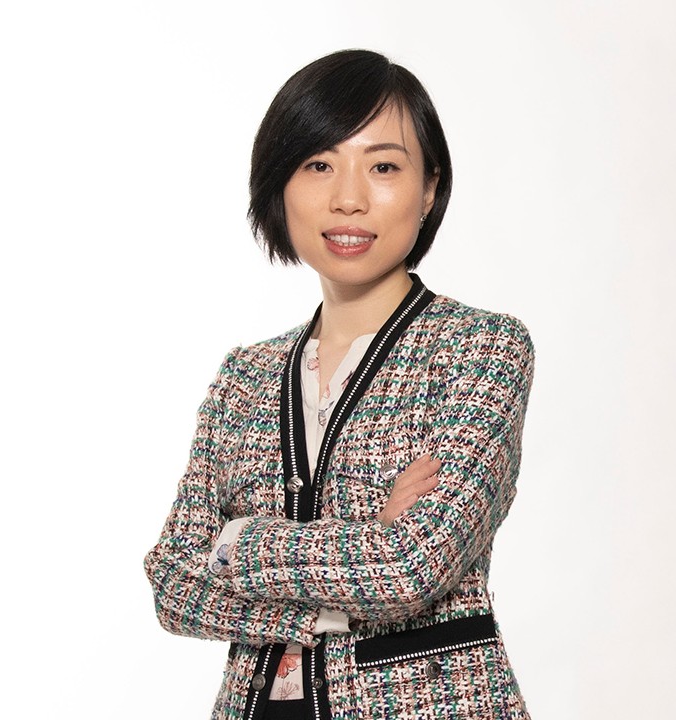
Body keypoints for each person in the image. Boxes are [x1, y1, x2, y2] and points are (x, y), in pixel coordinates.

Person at [144, 49, 534, 720]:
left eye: (383, 166)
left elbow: (411, 567)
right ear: (280, 185)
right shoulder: (246, 376)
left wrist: (236, 542)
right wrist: (360, 543)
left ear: (430, 188)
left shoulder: (482, 349)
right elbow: (173, 586)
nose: (348, 196)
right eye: (318, 164)